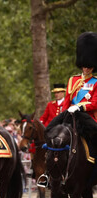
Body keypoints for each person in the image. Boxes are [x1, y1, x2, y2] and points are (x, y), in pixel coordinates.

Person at [38, 32, 97, 188]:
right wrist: (64, 115)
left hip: (86, 115)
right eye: (84, 65)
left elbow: (95, 102)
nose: (86, 68)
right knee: (50, 131)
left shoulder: (95, 81)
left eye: (89, 65)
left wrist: (81, 106)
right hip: (70, 114)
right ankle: (47, 173)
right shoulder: (73, 80)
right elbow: (68, 101)